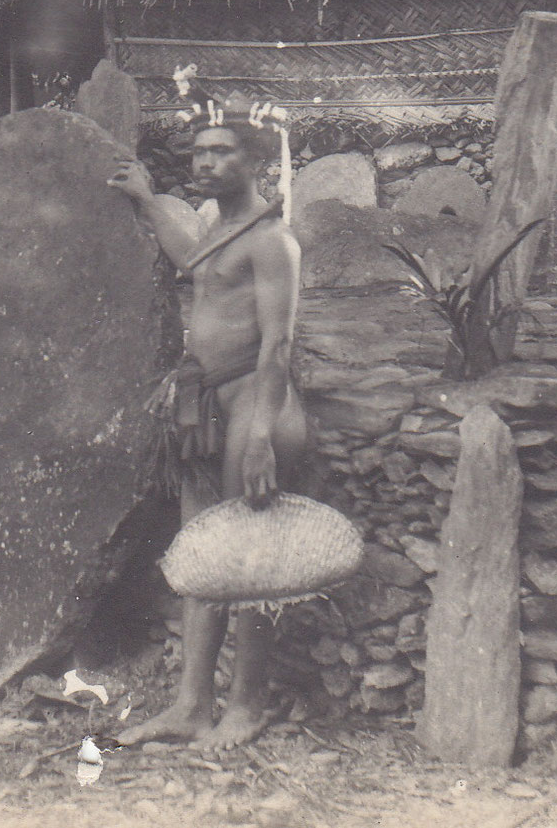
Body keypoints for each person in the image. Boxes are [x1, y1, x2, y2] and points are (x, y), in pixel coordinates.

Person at [107, 95, 313, 750]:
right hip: (205, 402)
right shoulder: (215, 233)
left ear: (254, 161)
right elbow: (192, 256)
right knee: (202, 554)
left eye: (221, 150)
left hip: (257, 402)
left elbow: (278, 342)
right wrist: (144, 197)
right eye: (198, 152)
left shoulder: (273, 240)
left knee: (251, 558)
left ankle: (246, 705)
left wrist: (260, 437)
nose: (205, 161)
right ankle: (192, 704)